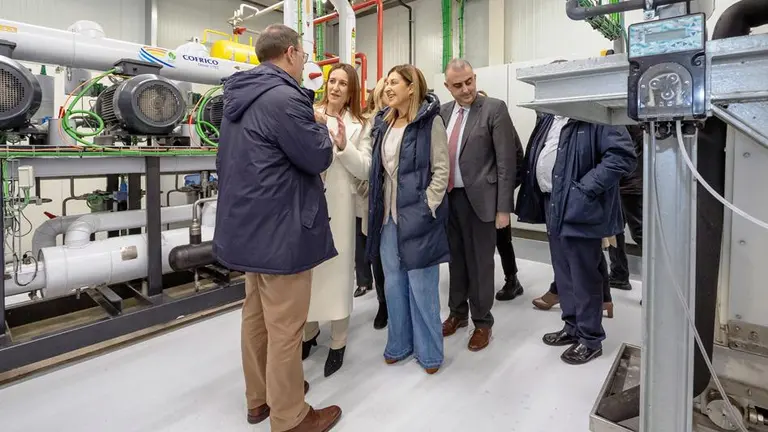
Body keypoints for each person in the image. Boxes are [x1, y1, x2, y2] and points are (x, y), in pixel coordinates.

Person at [213, 24, 342, 431]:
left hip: (248, 229)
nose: (306, 62)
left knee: (255, 317)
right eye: (304, 55)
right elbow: (316, 156)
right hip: (281, 229)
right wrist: (324, 126)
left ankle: (261, 399)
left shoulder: (238, 97)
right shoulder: (285, 98)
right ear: (290, 53)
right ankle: (290, 416)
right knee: (286, 327)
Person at [516, 108, 636, 365]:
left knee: (583, 274)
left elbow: (622, 156)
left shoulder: (597, 116)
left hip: (581, 205)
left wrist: (585, 189)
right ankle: (572, 327)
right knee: (563, 270)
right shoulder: (550, 119)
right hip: (552, 203)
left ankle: (590, 339)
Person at [365, 64, 450, 374]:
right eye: (386, 82)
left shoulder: (430, 123)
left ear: (411, 87)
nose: (387, 88)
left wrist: (428, 205)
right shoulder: (384, 123)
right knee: (393, 283)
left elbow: (441, 170)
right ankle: (399, 344)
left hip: (418, 215)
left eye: (394, 82)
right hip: (388, 217)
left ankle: (430, 354)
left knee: (422, 286)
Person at [439, 59, 520, 352]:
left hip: (482, 202)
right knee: (456, 261)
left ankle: (482, 322)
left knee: (481, 264)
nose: (466, 89)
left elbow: (506, 163)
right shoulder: (443, 113)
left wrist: (503, 209)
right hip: (450, 199)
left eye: (469, 81)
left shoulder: (493, 109)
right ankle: (457, 314)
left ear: (475, 78)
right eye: (458, 85)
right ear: (447, 88)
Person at [302, 63, 372, 378]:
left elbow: (366, 170)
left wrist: (344, 146)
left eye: (343, 83)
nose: (336, 87)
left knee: (339, 275)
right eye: (332, 81)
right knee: (308, 274)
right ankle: (309, 333)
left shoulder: (361, 124)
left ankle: (338, 341)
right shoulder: (309, 112)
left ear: (351, 90)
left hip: (341, 207)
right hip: (308, 204)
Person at [476, 90, 526, 301]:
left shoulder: (500, 123)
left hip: (495, 193)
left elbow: (517, 159)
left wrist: (503, 191)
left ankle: (512, 279)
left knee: (502, 239)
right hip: (474, 195)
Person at [352, 77, 389, 331]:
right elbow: (360, 166)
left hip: (397, 202)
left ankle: (395, 303)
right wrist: (366, 189)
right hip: (372, 202)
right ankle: (383, 303)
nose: (390, 94)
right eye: (385, 91)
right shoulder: (369, 125)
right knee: (376, 257)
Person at [607, 124, 644, 290]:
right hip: (623, 182)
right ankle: (618, 274)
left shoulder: (625, 115)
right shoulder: (625, 114)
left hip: (629, 183)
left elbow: (635, 148)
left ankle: (657, 285)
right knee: (613, 230)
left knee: (640, 233)